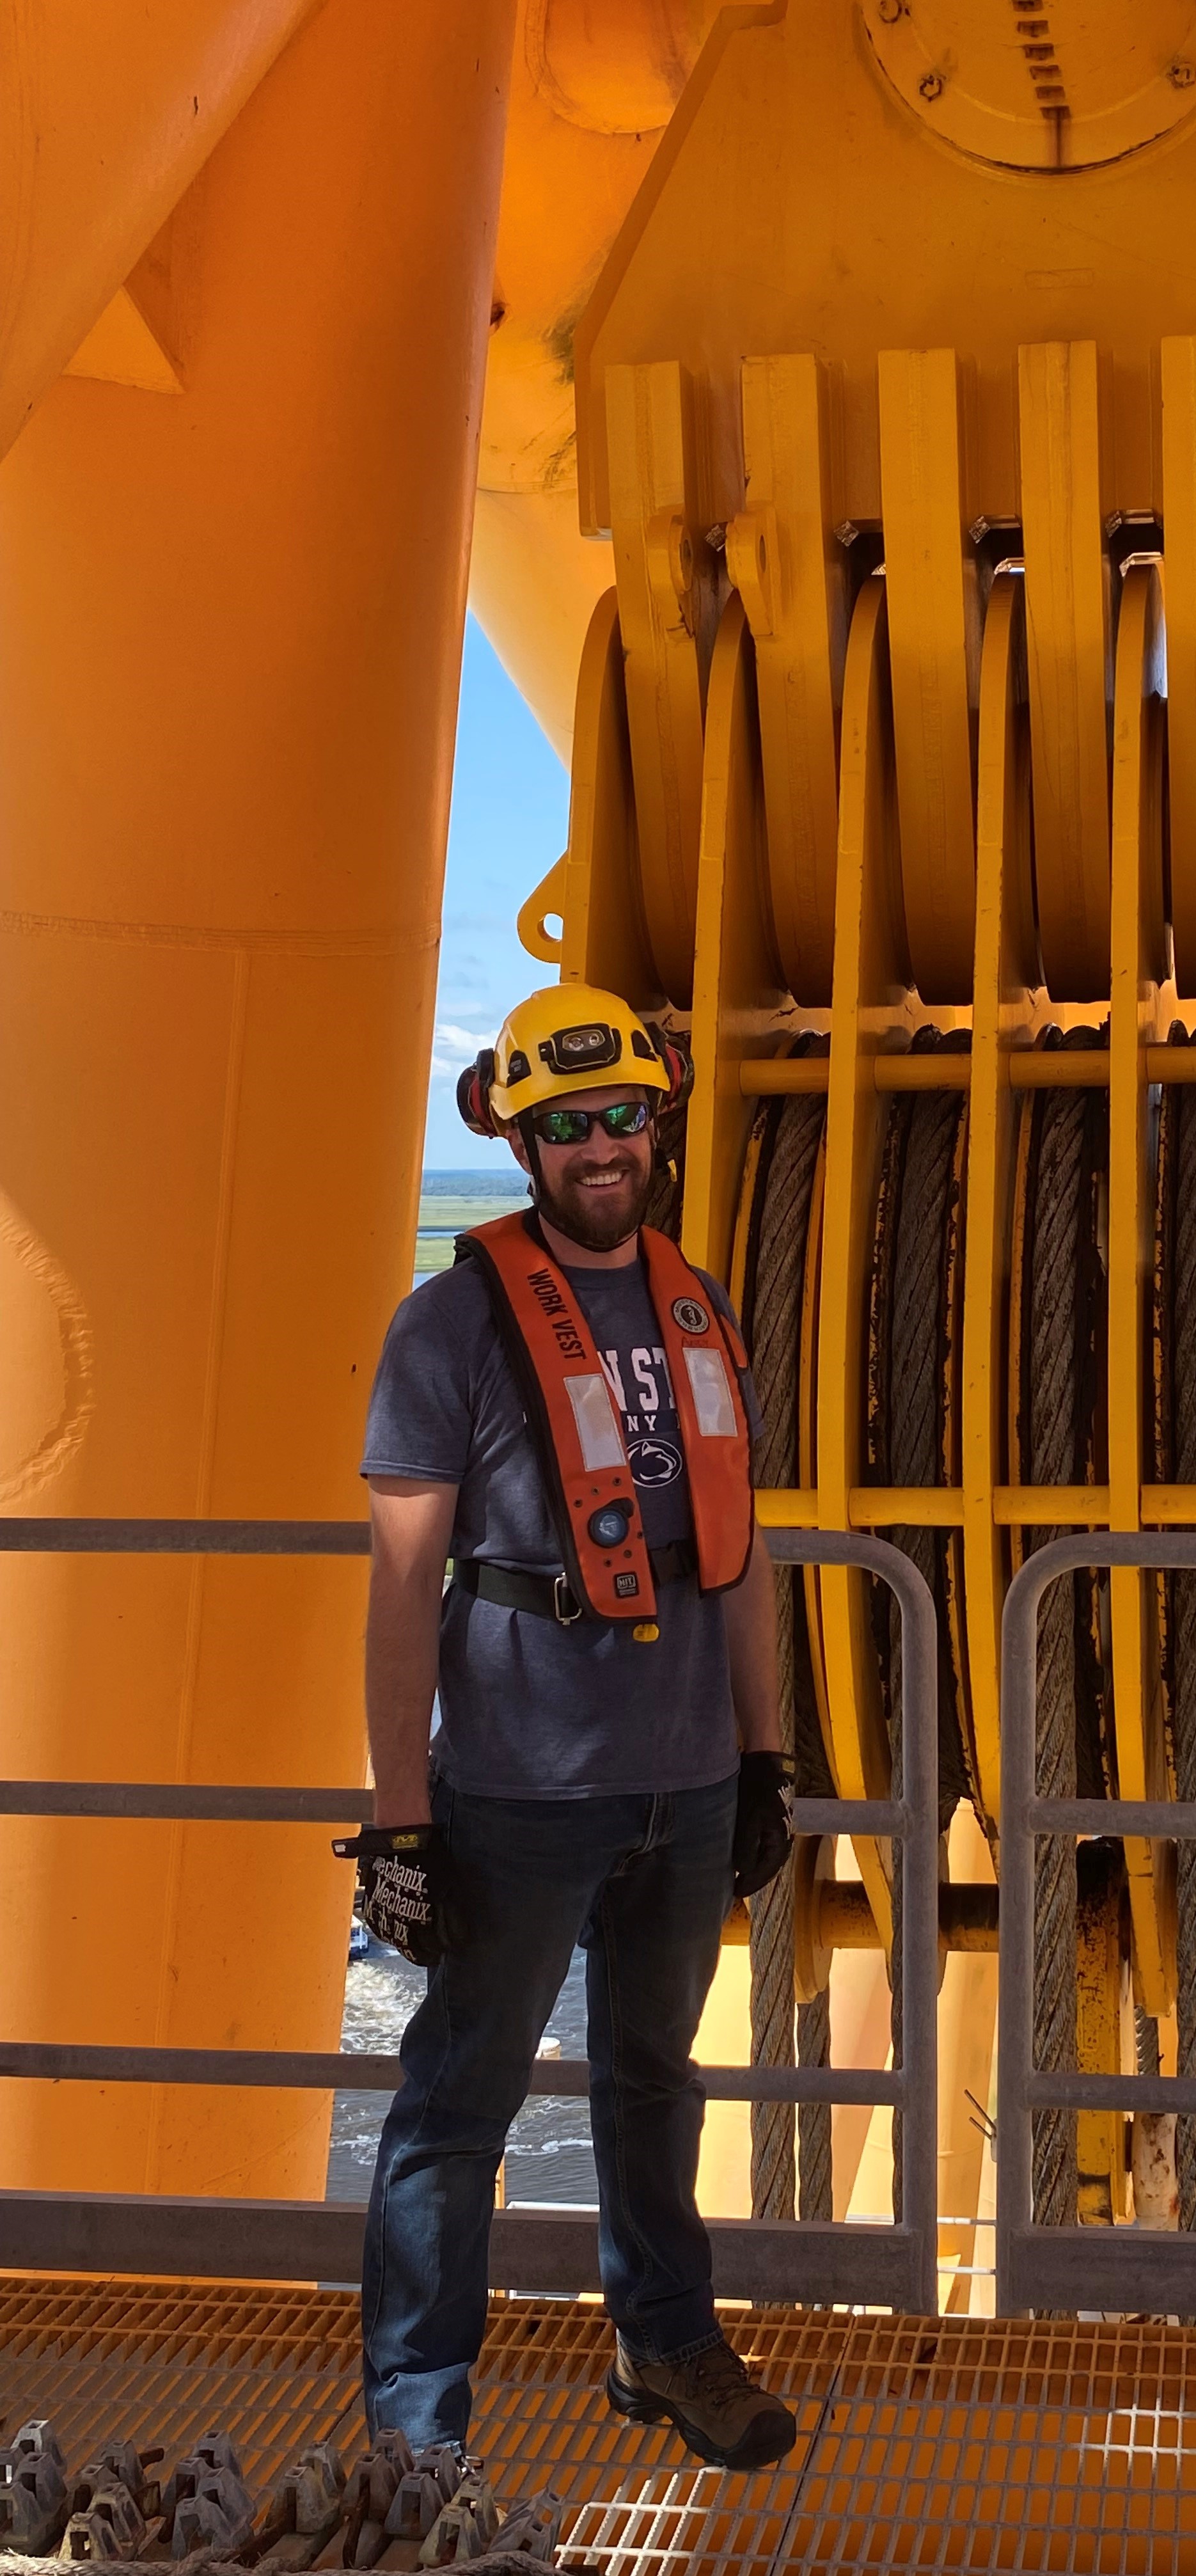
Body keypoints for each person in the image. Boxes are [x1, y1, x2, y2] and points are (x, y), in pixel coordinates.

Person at [339, 984, 798, 2474]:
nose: (604, 1148)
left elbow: (735, 1552)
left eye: (624, 1121)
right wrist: (402, 1815)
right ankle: (418, 2428)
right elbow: (405, 1585)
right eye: (569, 1127)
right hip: (521, 1795)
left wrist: (764, 1758)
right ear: (520, 1138)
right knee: (457, 2108)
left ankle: (666, 2343)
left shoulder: (698, 1302)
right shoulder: (450, 1323)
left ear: (656, 1124)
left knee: (658, 2080)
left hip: (681, 1779)